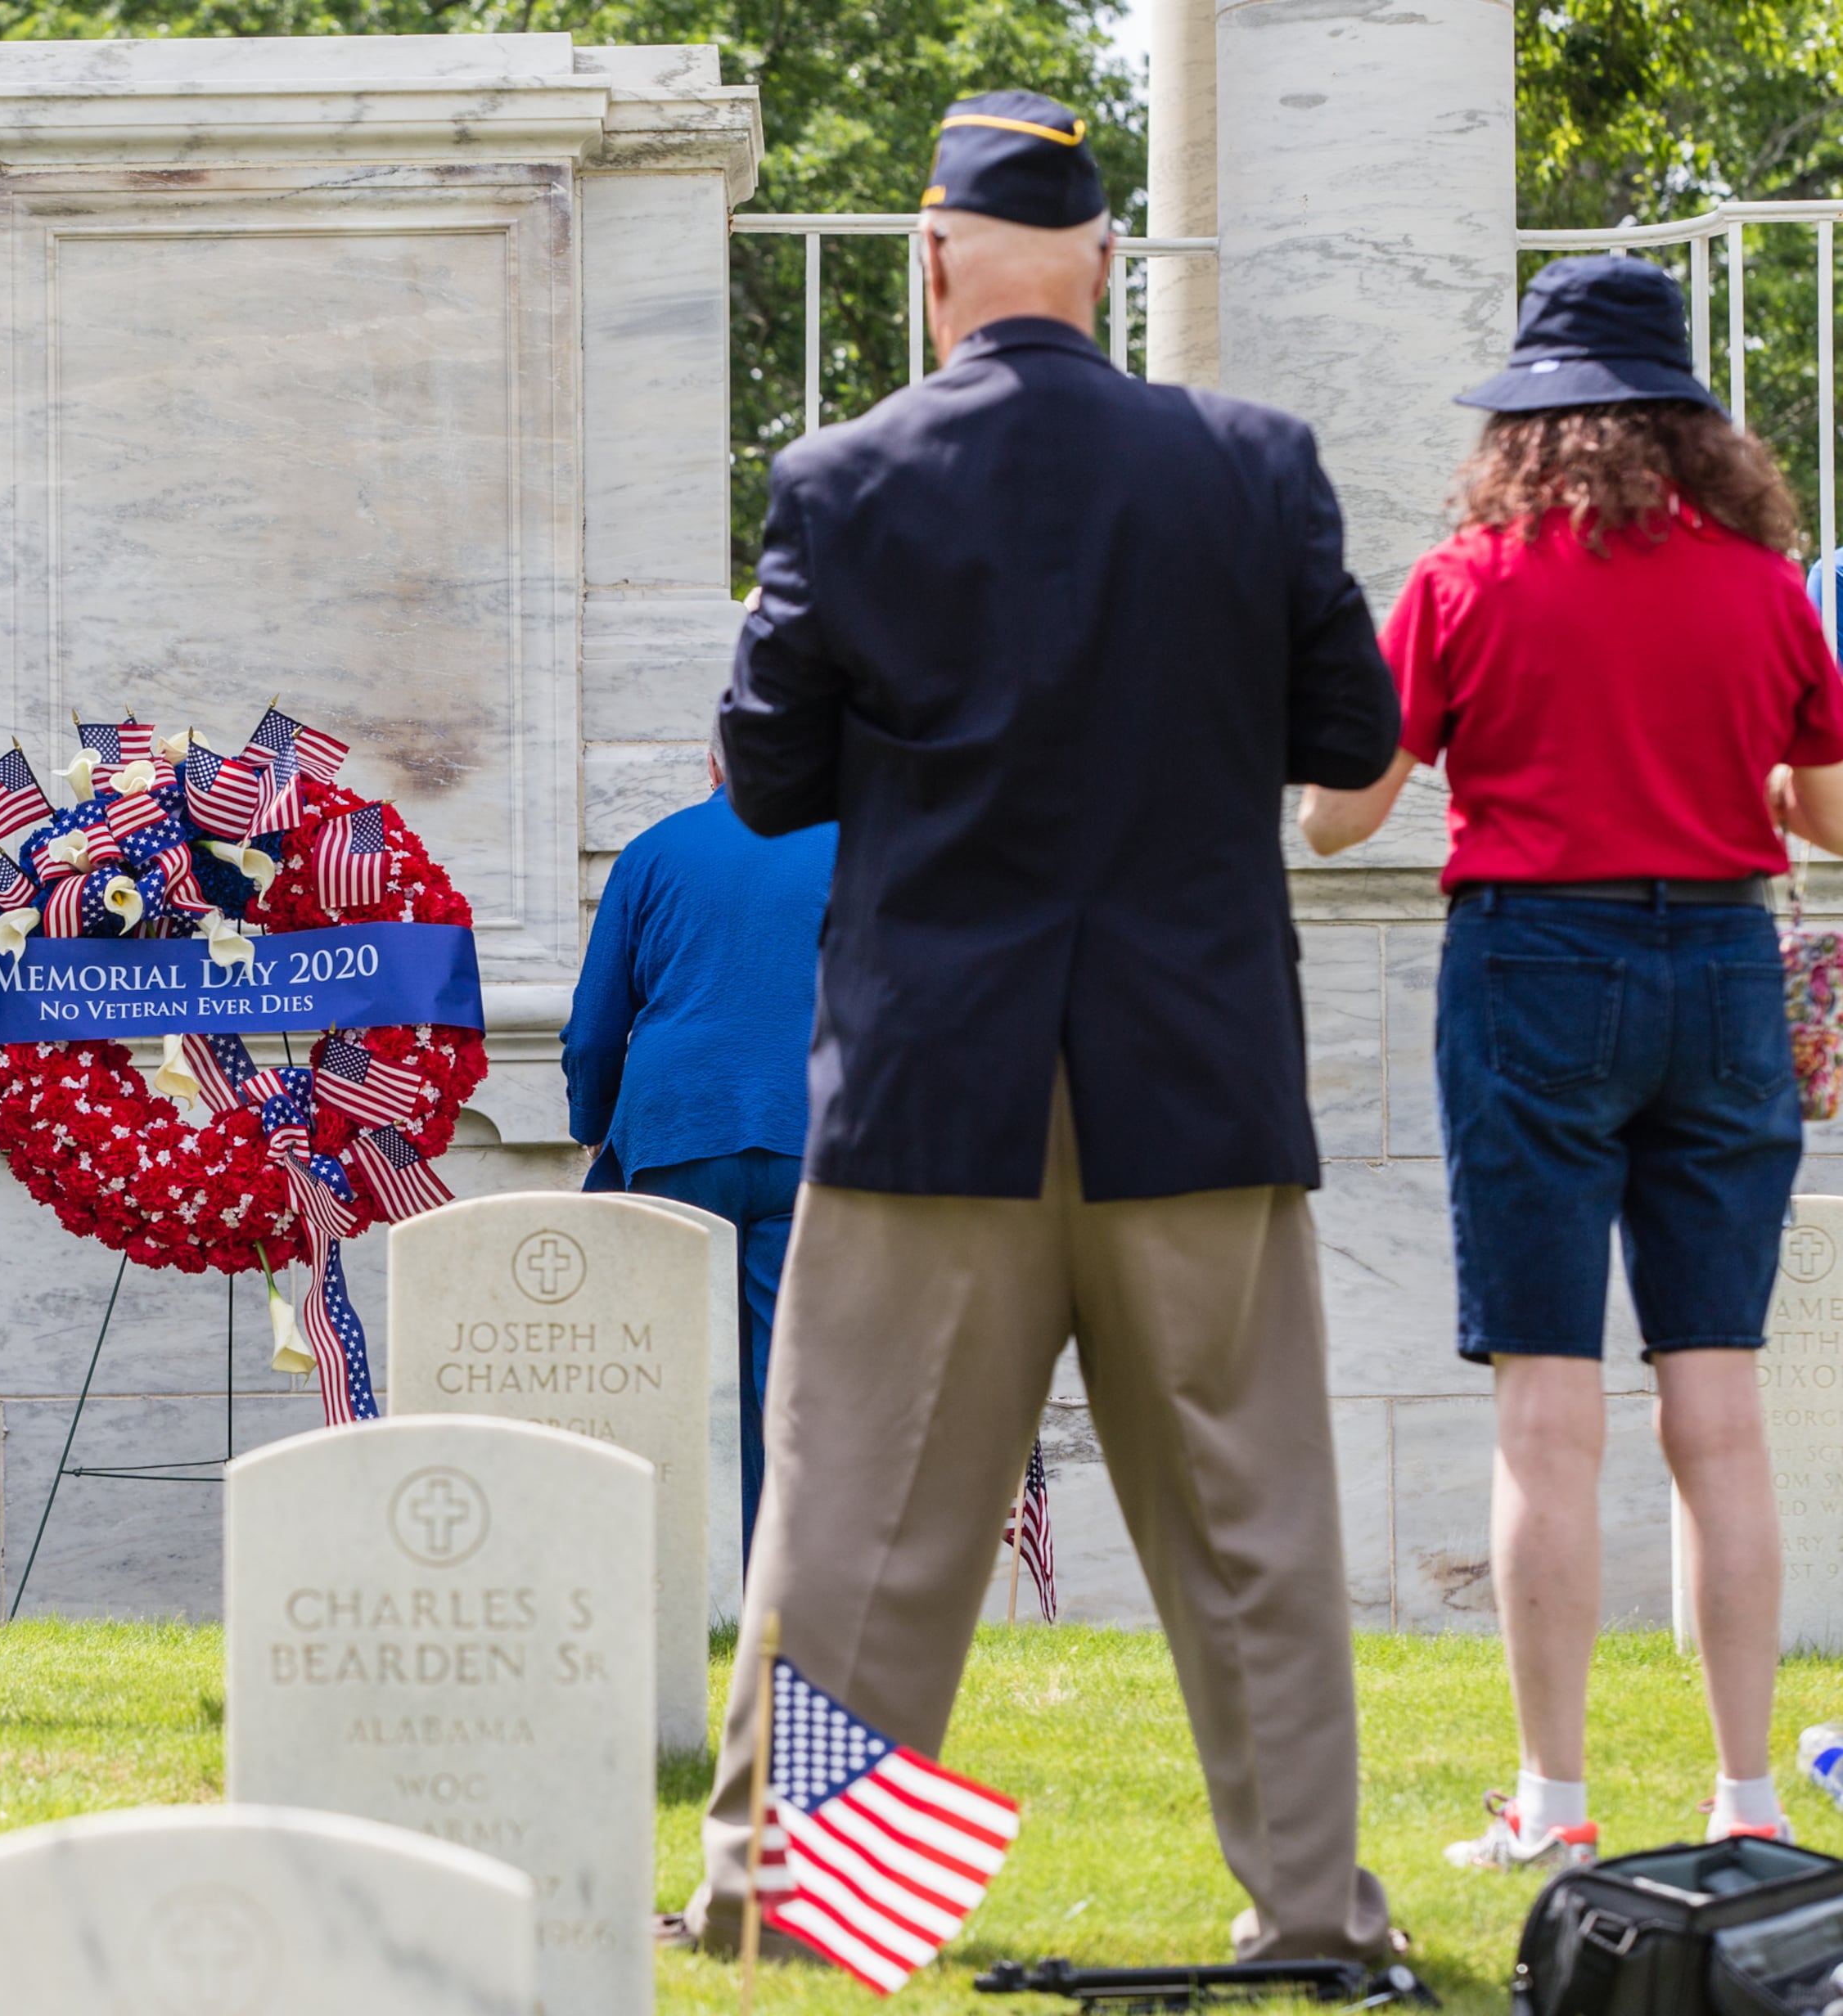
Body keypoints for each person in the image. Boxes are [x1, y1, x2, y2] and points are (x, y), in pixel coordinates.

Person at [674, 92, 1403, 1964]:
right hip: (1193, 1075)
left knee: (861, 1526)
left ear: (928, 263)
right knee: (1250, 1528)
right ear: (1101, 263)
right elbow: (1348, 741)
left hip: (935, 1080)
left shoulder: (839, 481)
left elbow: (758, 784)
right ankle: (1310, 1916)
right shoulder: (1250, 465)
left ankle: (805, 1917)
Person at [1303, 255, 1843, 1869]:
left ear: (1528, 424)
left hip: (1533, 965)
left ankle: (1551, 1800)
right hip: (1724, 970)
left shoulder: (1468, 576)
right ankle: (1746, 1801)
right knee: (1717, 1402)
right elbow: (1827, 815)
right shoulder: (1761, 581)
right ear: (1690, 424)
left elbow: (1344, 817)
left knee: (1547, 1407)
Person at [562, 730, 833, 1559]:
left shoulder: (650, 853)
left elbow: (595, 1035)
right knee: (786, 1376)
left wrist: (591, 1126)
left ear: (712, 764)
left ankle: (684, 1576)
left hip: (676, 1133)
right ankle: (777, 1582)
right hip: (807, 1131)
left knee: (672, 1369)